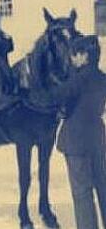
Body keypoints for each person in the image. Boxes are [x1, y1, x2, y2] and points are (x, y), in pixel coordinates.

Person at [56, 36, 106, 229]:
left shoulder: (76, 80)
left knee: (82, 193)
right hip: (97, 139)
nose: (72, 58)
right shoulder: (102, 79)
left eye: (75, 54)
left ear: (85, 56)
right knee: (103, 186)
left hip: (76, 142)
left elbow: (60, 102)